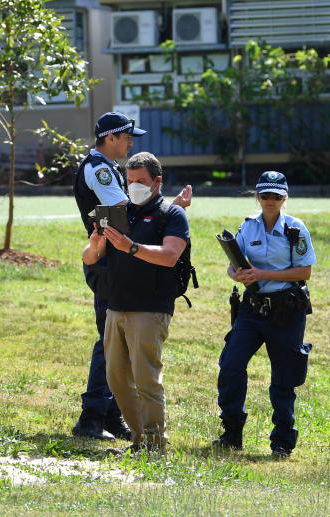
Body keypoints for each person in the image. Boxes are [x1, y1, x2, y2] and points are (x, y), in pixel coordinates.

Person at [71, 112, 191, 440]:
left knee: (113, 342)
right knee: (109, 342)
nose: (130, 142)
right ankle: (94, 414)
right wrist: (168, 207)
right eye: (126, 137)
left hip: (119, 255)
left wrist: (167, 208)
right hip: (108, 258)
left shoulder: (108, 167)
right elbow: (123, 212)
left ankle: (108, 413)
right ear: (110, 138)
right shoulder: (99, 169)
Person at [213, 171, 316, 459]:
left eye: (276, 196)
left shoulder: (296, 229)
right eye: (265, 195)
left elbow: (304, 272)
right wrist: (239, 275)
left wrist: (263, 273)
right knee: (231, 365)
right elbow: (232, 267)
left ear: (285, 198)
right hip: (252, 308)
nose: (270, 200)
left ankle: (282, 442)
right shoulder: (247, 227)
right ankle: (232, 432)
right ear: (257, 196)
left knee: (283, 378)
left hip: (287, 309)